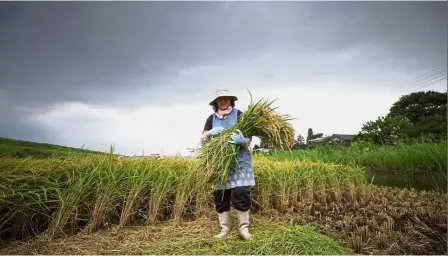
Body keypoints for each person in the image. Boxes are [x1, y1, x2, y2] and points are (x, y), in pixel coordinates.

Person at [200, 88, 255, 240]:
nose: (223, 101)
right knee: (221, 194)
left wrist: (242, 141)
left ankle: (244, 229)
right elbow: (203, 139)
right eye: (220, 99)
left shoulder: (240, 115)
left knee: (240, 192)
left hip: (239, 161)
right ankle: (224, 228)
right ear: (216, 102)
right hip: (219, 163)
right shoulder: (211, 119)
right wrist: (208, 134)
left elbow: (249, 138)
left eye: (226, 98)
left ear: (231, 100)